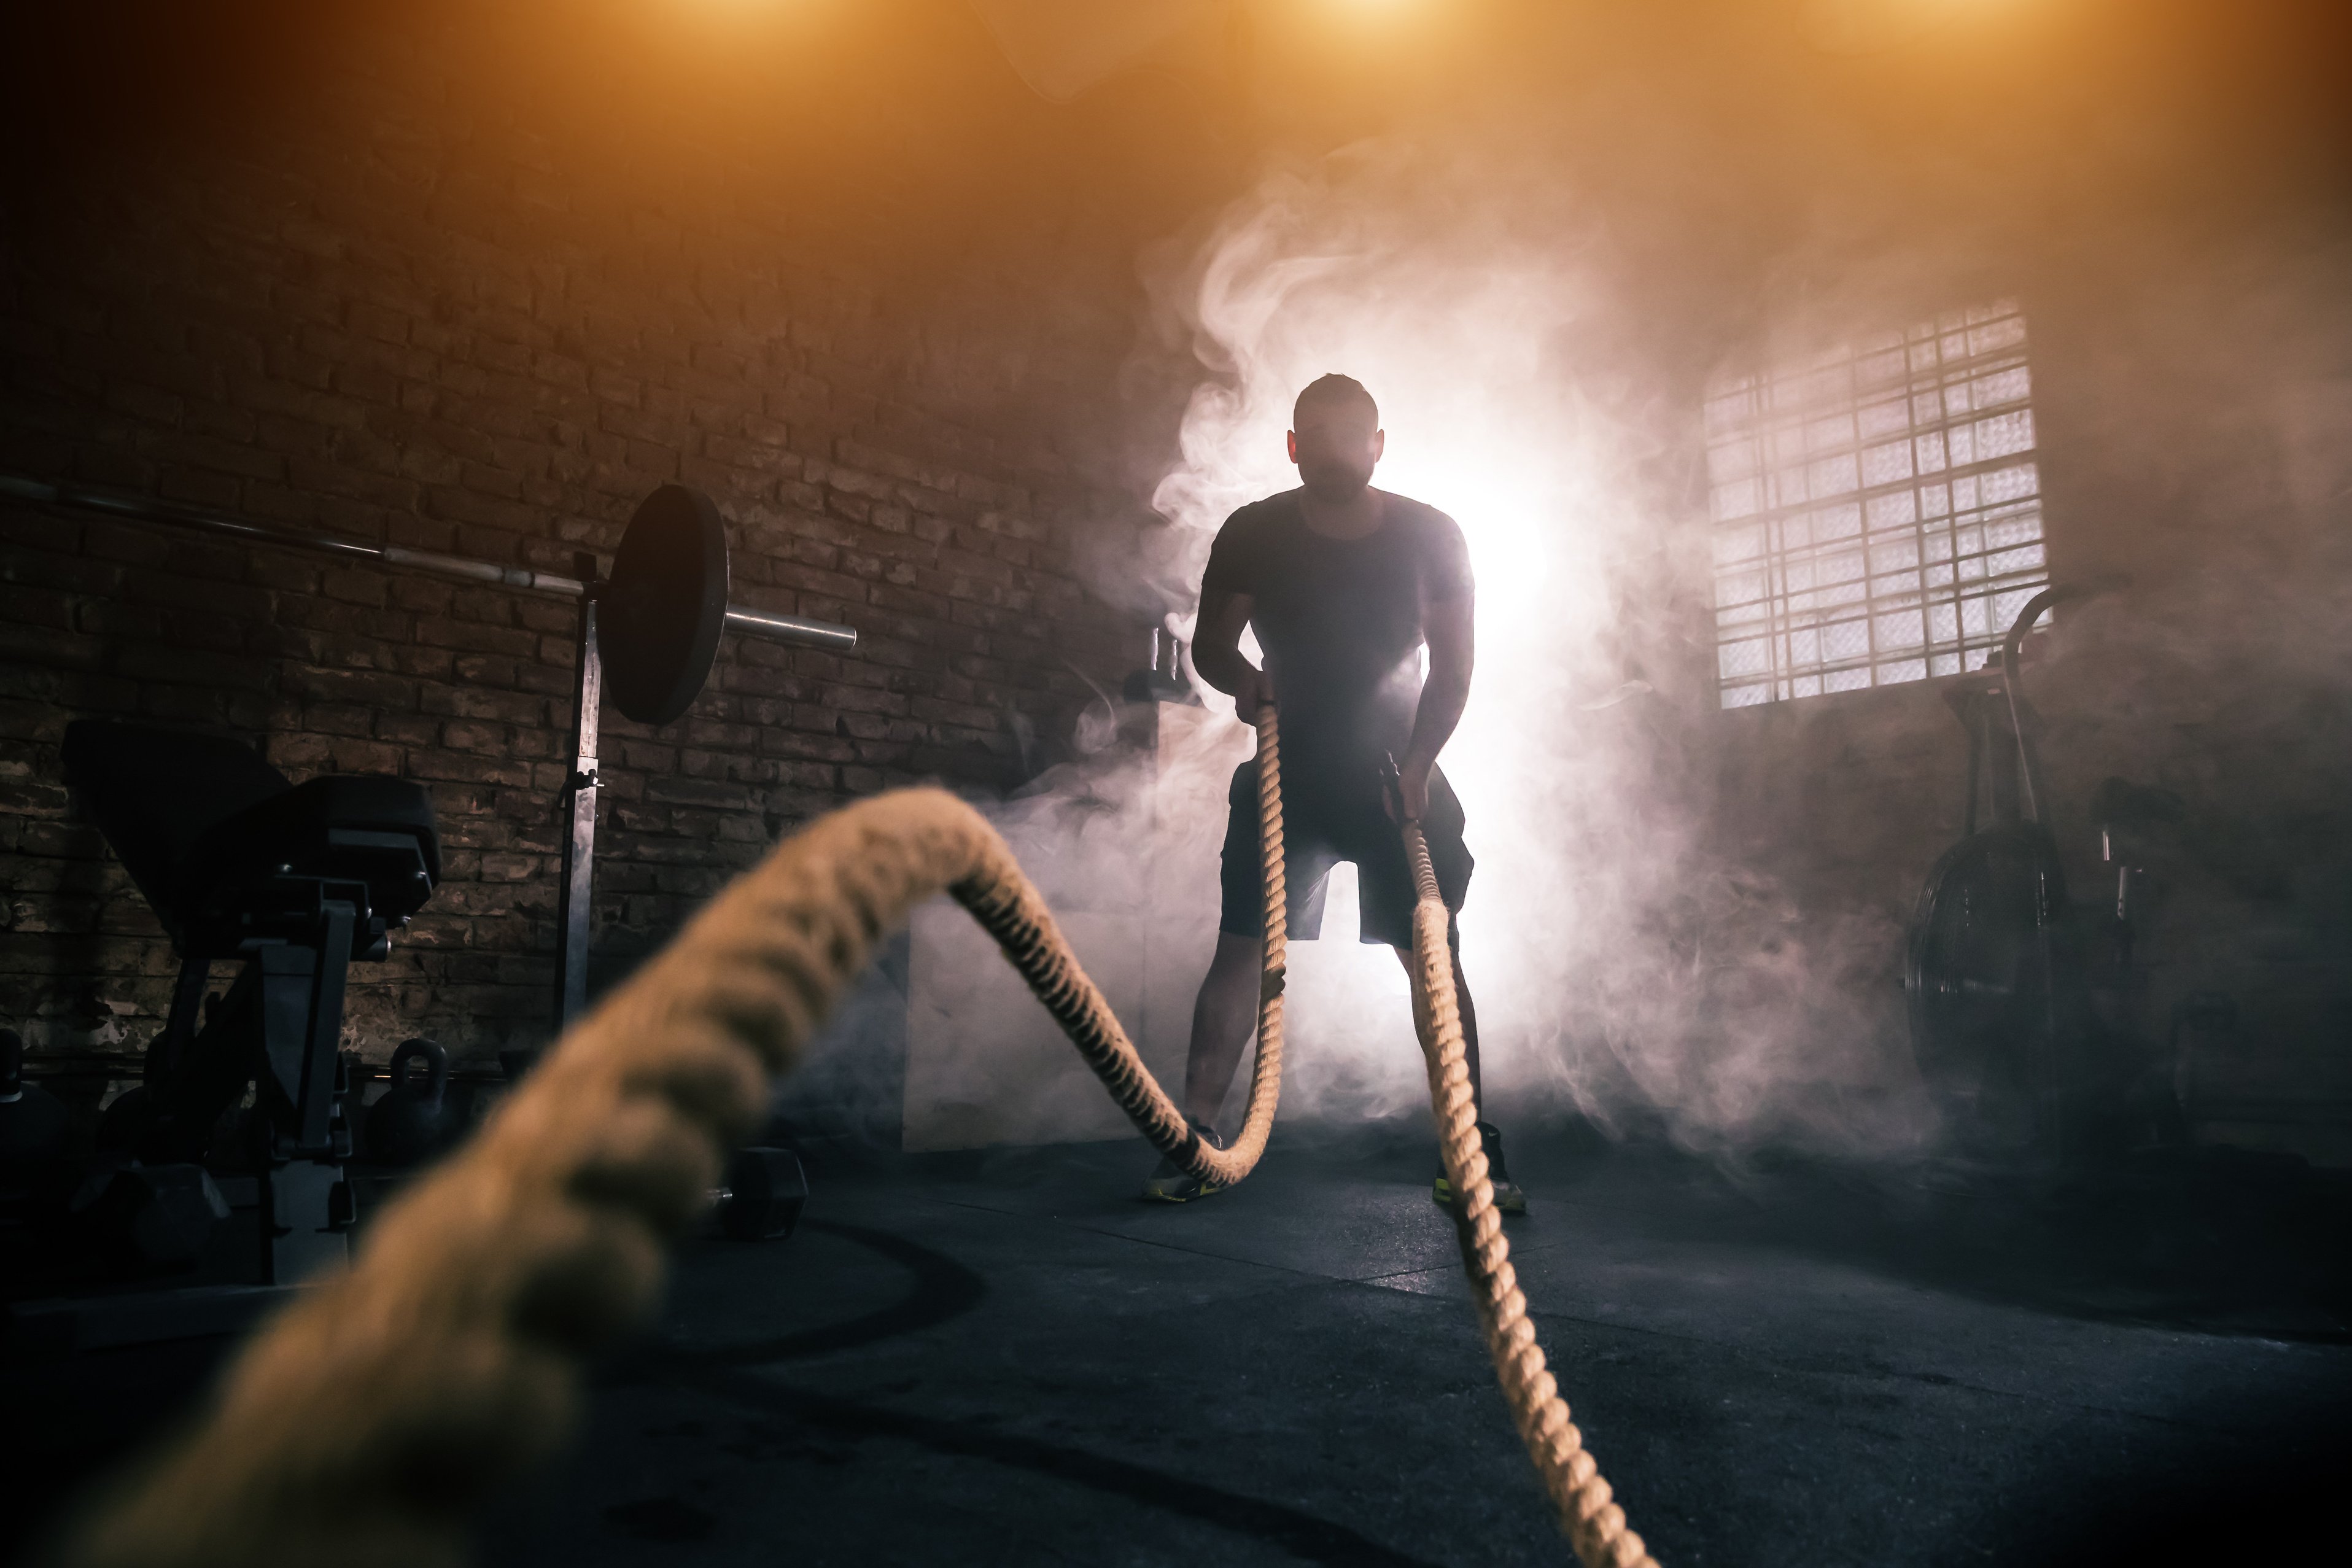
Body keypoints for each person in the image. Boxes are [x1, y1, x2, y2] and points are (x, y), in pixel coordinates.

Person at [1142, 373, 1524, 1213]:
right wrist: (1251, 688)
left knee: (1432, 956)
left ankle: (1469, 1148)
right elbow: (1211, 645)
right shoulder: (1256, 532)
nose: (1334, 447)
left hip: (1398, 771)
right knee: (1242, 949)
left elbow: (1455, 670)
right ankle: (1197, 1133)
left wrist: (1421, 765)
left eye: (1352, 433)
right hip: (1288, 770)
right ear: (1292, 445)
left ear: (1378, 443)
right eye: (1316, 434)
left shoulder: (1432, 535)